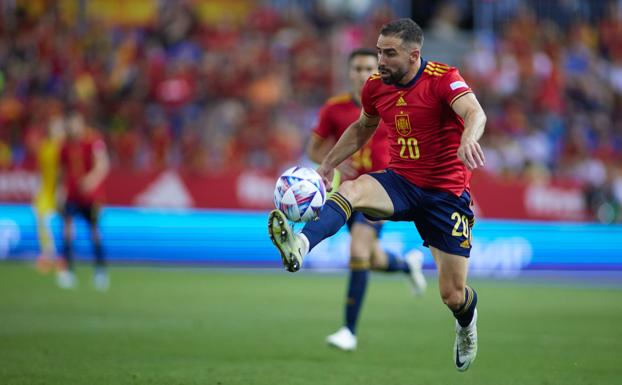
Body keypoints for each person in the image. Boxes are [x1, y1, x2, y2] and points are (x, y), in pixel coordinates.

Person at [268, 18, 486, 371]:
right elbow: (362, 128)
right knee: (352, 190)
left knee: (452, 294)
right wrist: (327, 165)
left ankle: (466, 323)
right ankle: (301, 244)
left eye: (389, 54)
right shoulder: (375, 87)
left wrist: (469, 137)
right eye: (379, 51)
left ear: (414, 55)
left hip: (446, 194)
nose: (380, 61)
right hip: (400, 180)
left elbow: (475, 112)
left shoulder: (444, 78)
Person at [306, 48, 427, 352]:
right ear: (349, 72)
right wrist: (332, 161)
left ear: (379, 70)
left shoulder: (393, 101)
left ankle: (349, 330)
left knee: (357, 248)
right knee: (370, 258)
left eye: (368, 68)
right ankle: (405, 265)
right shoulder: (334, 108)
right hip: (344, 194)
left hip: (380, 190)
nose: (362, 74)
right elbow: (314, 149)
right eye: (357, 68)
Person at [57, 110, 110, 291]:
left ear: (81, 124)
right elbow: (62, 172)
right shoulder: (64, 146)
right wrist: (60, 191)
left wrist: (91, 180)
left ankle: (100, 271)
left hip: (91, 196)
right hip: (72, 195)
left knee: (94, 231)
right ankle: (68, 271)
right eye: (70, 124)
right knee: (68, 230)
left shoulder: (93, 141)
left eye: (75, 124)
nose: (72, 128)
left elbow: (103, 165)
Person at [32, 116, 65, 273]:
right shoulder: (45, 147)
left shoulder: (63, 147)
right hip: (46, 190)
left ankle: (62, 256)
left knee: (62, 223)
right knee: (41, 218)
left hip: (58, 189)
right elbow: (41, 170)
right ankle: (48, 254)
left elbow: (64, 171)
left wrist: (61, 191)